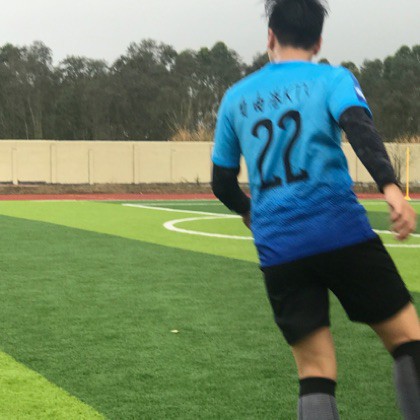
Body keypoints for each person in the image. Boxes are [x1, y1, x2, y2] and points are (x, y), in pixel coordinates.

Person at [211, 0, 420, 418]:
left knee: (315, 370)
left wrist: (250, 212)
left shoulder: (235, 98)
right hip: (341, 233)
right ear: (318, 42)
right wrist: (390, 187)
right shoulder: (332, 78)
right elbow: (359, 127)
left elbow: (222, 184)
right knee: (407, 340)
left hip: (280, 249)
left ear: (270, 37)